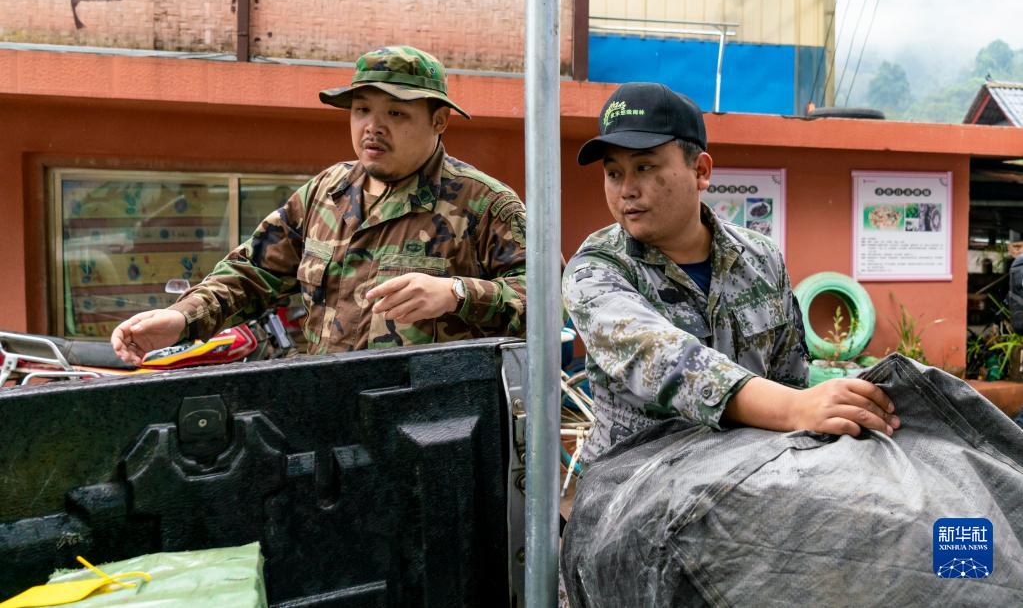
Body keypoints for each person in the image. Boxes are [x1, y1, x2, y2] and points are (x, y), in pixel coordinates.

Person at [111, 45, 527, 364]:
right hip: (328, 409)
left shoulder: (484, 204)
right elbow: (252, 272)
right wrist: (183, 318)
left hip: (435, 423)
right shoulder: (326, 193)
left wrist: (457, 293)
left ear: (439, 121)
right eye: (361, 110)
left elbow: (546, 306)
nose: (373, 127)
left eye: (396, 113)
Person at [563, 82, 900, 463]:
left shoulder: (761, 259)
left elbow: (790, 375)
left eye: (644, 167)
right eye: (613, 173)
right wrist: (794, 408)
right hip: (636, 482)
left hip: (751, 471)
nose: (626, 189)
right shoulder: (595, 270)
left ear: (700, 170)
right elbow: (663, 359)